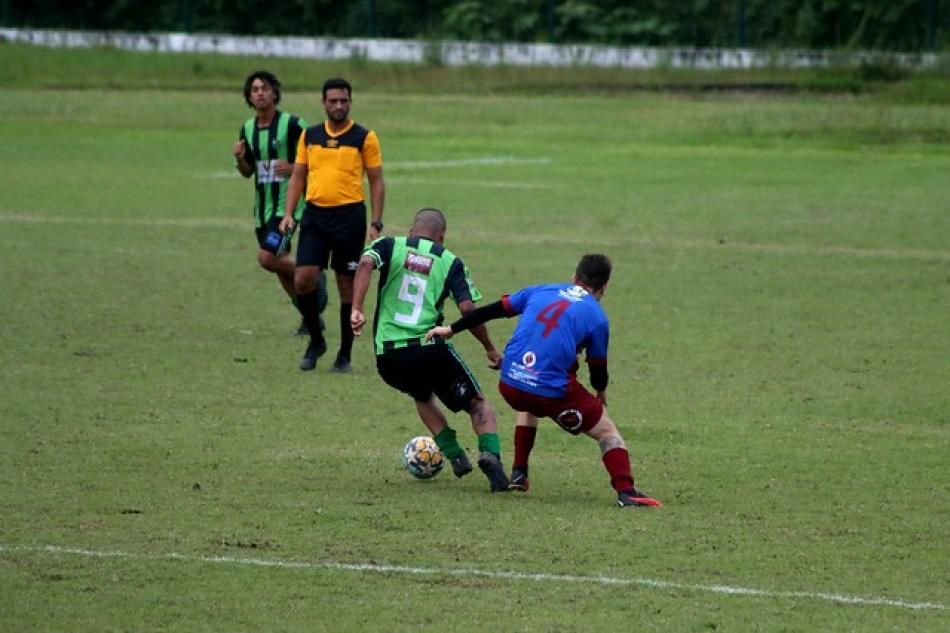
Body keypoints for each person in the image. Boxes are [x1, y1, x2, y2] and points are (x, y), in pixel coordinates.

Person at [426, 254, 662, 508]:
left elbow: (491, 311)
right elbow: (598, 369)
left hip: (511, 382)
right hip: (550, 392)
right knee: (608, 433)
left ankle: (519, 473)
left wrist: (451, 329)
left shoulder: (540, 290)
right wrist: (600, 392)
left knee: (529, 402)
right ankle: (627, 492)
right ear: (604, 287)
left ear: (574, 277)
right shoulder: (597, 317)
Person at [350, 208, 510, 492]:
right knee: (477, 403)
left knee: (421, 394)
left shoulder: (389, 244)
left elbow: (364, 264)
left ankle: (455, 454)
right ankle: (490, 455)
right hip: (429, 350)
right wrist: (489, 348)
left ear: (412, 231)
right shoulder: (450, 262)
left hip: (389, 358)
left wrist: (357, 308)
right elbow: (467, 309)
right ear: (442, 237)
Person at [280, 77, 385, 373]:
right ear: (323, 103)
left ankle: (344, 356)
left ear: (350, 102)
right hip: (315, 216)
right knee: (303, 279)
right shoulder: (310, 135)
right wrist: (289, 213)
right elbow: (298, 176)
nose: (338, 105)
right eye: (333, 100)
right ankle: (316, 340)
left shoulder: (365, 137)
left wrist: (376, 221)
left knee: (347, 286)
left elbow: (376, 182)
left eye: (343, 100)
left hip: (350, 218)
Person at [232, 70, 326, 336]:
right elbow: (247, 171)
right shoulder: (247, 129)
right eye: (254, 89)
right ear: (249, 96)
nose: (260, 93)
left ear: (275, 93)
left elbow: (319, 160)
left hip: (289, 209)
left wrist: (295, 166)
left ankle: (313, 273)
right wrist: (240, 158)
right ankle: (310, 318)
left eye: (264, 88)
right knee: (280, 268)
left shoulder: (294, 125)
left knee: (267, 257)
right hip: (262, 212)